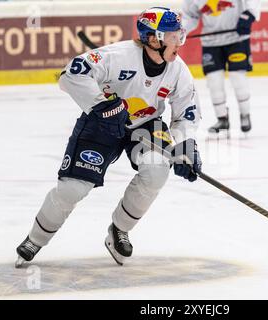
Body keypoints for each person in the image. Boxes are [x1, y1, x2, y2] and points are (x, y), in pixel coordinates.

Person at [15, 7, 202, 267]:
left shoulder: (178, 70)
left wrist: (185, 147)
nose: (179, 42)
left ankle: (119, 230)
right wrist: (102, 105)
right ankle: (35, 238)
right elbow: (70, 74)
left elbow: (186, 112)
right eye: (172, 36)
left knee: (158, 171)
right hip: (102, 123)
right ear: (152, 38)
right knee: (73, 188)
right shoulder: (118, 56)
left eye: (180, 35)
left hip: (145, 125)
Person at [181, 0, 260, 136]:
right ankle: (222, 118)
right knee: (214, 81)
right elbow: (190, 16)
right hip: (211, 42)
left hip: (237, 39)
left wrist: (249, 14)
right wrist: (181, 31)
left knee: (238, 79)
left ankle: (245, 114)